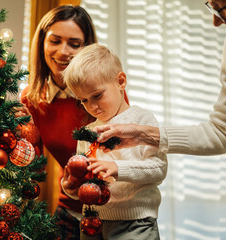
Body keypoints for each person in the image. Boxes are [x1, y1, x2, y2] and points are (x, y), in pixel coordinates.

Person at [93, 0, 226, 239]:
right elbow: (222, 132)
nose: (216, 21)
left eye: (221, 6)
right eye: (211, 5)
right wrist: (144, 134)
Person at [62, 43, 167, 240]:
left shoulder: (142, 121)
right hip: (92, 222)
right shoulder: (87, 132)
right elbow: (85, 183)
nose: (91, 106)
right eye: (83, 100)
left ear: (120, 81)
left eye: (97, 95)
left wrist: (117, 168)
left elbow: (158, 169)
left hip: (135, 223)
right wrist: (72, 186)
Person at [19, 5, 97, 240]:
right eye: (55, 41)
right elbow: (33, 168)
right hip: (70, 210)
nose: (63, 52)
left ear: (87, 48)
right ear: (42, 42)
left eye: (74, 44)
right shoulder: (31, 99)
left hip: (115, 212)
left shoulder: (102, 90)